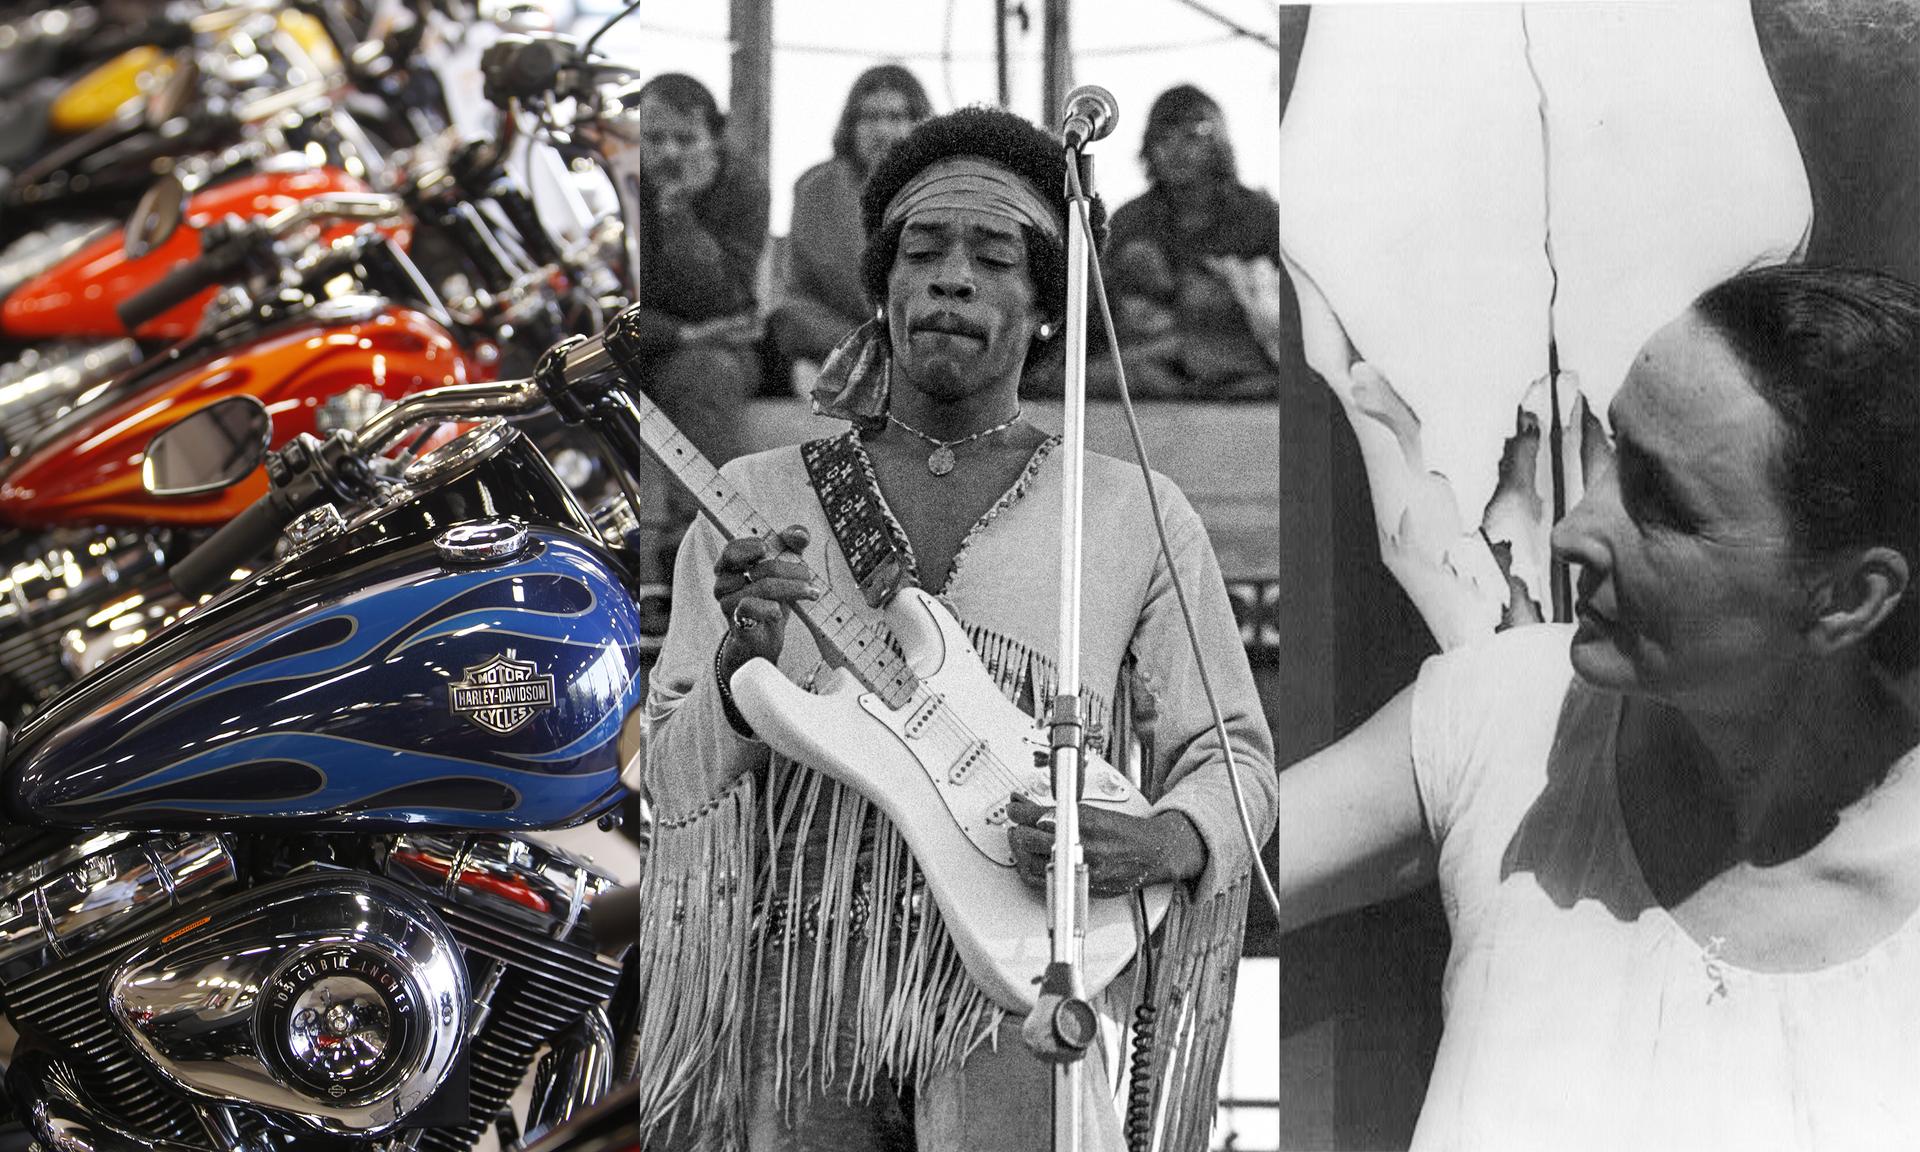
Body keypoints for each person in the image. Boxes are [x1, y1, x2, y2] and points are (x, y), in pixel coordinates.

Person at [632, 106, 1277, 1151]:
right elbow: (669, 778)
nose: (951, 279)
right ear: (880, 290)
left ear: (1048, 304)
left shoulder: (1129, 512)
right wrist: (739, 669)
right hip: (799, 1014)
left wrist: (1160, 839)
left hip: (1021, 999)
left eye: (994, 257)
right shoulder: (753, 499)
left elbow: (1232, 755)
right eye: (921, 252)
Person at [1276, 265, 1920, 1150]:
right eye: (1615, 451)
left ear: (1848, 598)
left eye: (1664, 506)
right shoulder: (1508, 715)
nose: (1576, 526)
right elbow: (1198, 860)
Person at [626, 73, 768, 573]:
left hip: (716, 348)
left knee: (705, 371)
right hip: (643, 342)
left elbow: (724, 299)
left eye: (685, 139)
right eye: (654, 139)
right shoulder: (621, 183)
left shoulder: (742, 187)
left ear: (714, 138)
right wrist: (679, 332)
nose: (669, 153)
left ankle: (713, 546)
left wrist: (679, 214)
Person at [1094, 84, 1288, 401]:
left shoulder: (1261, 216)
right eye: (1164, 139)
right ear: (1149, 148)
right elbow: (1103, 308)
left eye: (1191, 137)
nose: (1177, 151)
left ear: (1218, 144)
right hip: (1148, 366)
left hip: (1246, 359)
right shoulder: (1130, 221)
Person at [766, 64, 932, 381]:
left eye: (896, 117)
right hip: (845, 332)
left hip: (922, 330)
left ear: (918, 122)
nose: (882, 131)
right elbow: (799, 292)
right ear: (851, 125)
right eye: (870, 118)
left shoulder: (942, 185)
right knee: (787, 319)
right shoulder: (816, 187)